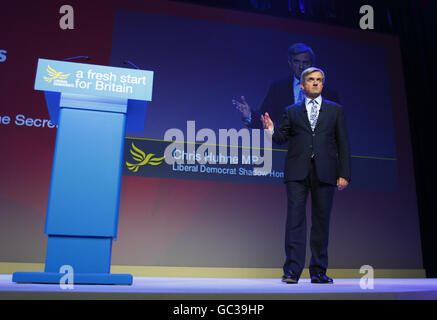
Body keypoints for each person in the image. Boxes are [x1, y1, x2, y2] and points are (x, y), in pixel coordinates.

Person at [261, 67, 351, 284]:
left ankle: (319, 271)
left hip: (326, 172)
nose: (316, 83)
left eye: (319, 80)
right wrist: (271, 130)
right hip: (297, 172)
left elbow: (343, 144)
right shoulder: (292, 111)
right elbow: (282, 138)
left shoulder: (335, 110)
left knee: (321, 222)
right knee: (295, 221)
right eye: (311, 80)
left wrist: (344, 173)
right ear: (302, 85)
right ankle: (292, 270)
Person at [233, 43, 340, 129]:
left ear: (312, 64)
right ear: (290, 63)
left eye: (305, 62)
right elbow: (265, 120)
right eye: (296, 62)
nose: (301, 66)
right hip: (285, 151)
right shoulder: (278, 89)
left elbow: (336, 129)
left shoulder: (329, 95)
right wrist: (249, 115)